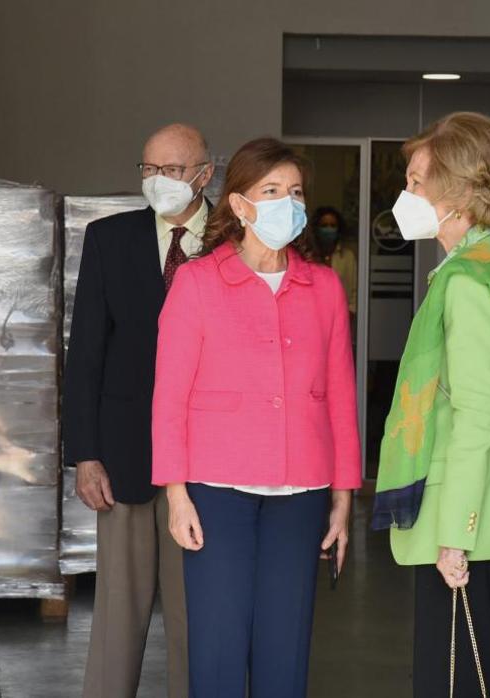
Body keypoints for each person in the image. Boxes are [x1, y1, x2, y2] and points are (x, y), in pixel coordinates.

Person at [151, 137, 361, 698]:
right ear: (240, 205)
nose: (286, 203)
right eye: (271, 191)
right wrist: (176, 494)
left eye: (294, 192)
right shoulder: (197, 283)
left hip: (304, 489)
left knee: (285, 646)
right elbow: (168, 395)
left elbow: (341, 394)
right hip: (217, 490)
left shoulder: (323, 287)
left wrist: (344, 496)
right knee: (218, 646)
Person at [372, 112, 490, 698]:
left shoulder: (466, 282)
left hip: (465, 514)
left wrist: (454, 533)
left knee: (453, 675)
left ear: (456, 191)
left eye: (416, 182)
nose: (407, 196)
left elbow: (478, 412)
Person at [63, 123, 213, 698]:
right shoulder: (110, 239)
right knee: (118, 616)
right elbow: (87, 356)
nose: (158, 181)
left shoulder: (232, 240)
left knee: (194, 615)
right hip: (123, 452)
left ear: (205, 173)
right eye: (148, 169)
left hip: (204, 461)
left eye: (172, 170)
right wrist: (86, 454)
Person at [312, 206, 358, 317]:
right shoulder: (310, 256)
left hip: (341, 315)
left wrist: (350, 312)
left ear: (338, 229)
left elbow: (355, 290)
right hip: (314, 316)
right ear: (316, 229)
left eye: (333, 225)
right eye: (324, 225)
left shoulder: (347, 257)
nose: (329, 229)